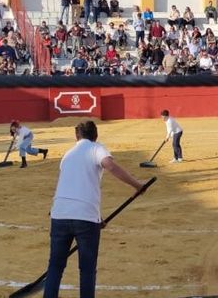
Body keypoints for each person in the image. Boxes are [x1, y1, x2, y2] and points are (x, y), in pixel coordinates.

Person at [43, 120, 149, 298]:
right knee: (87, 269)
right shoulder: (96, 148)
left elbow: (70, 185)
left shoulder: (68, 154)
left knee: (55, 266)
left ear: (77, 136)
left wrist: (96, 218)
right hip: (85, 217)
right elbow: (110, 165)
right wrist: (137, 185)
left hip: (59, 214)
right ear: (95, 136)